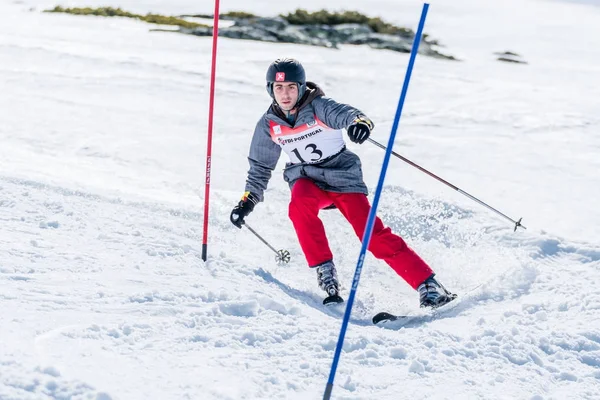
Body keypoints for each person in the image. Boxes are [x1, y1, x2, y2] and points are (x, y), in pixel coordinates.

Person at [230, 57, 454, 308]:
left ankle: (428, 284)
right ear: (270, 89)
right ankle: (325, 271)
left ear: (302, 87)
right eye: (279, 88)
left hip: (342, 177)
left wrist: (359, 123)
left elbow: (348, 114)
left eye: (291, 87)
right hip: (307, 179)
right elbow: (260, 167)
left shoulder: (319, 107)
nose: (285, 94)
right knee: (299, 203)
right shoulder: (268, 124)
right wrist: (247, 201)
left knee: (371, 234)